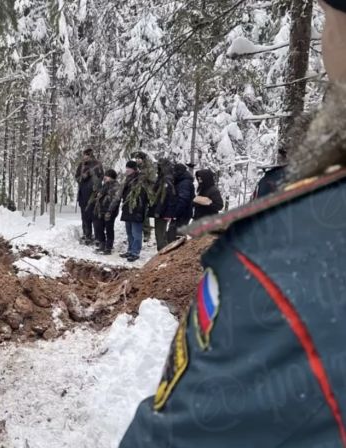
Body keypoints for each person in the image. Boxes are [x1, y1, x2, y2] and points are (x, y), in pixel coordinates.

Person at [120, 0, 346, 445]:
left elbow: (182, 432)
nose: (323, 46)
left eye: (328, 19)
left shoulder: (283, 258)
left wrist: (178, 210)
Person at [119, 161, 148, 262]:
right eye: (126, 167)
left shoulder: (140, 180)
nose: (127, 170)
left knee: (136, 233)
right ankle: (130, 250)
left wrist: (139, 209)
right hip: (128, 210)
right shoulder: (127, 180)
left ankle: (135, 252)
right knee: (129, 233)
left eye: (129, 168)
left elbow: (143, 197)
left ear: (134, 169)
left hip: (137, 211)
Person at [75, 147, 103, 245]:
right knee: (85, 216)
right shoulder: (81, 165)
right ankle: (87, 235)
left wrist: (92, 175)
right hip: (83, 195)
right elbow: (77, 177)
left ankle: (97, 237)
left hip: (93, 195)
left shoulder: (97, 164)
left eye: (86, 155)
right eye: (84, 155)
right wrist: (82, 177)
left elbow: (100, 178)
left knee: (94, 217)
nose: (85, 157)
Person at [93, 169, 121, 255]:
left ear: (112, 177)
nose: (105, 177)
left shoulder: (116, 186)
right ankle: (102, 244)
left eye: (107, 176)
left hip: (110, 211)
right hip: (101, 210)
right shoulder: (105, 185)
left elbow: (116, 200)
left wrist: (109, 211)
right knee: (99, 227)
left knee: (109, 229)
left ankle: (108, 247)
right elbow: (100, 195)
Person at [150, 158, 176, 251]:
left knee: (160, 233)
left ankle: (163, 253)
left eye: (160, 166)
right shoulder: (162, 178)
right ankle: (162, 252)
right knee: (159, 233)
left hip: (162, 211)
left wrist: (163, 212)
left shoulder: (166, 179)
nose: (159, 168)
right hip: (160, 209)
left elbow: (167, 197)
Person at [131, 151, 155, 242]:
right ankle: (137, 233)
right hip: (137, 192)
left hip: (146, 192)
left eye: (139, 159)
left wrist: (146, 178)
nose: (137, 160)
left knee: (145, 214)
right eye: (136, 158)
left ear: (143, 159)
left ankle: (146, 233)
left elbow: (153, 180)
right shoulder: (136, 168)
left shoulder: (149, 168)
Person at [168, 162, 195, 241]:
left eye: (174, 172)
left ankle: (177, 252)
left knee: (177, 236)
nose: (173, 174)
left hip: (182, 214)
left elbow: (183, 199)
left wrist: (176, 213)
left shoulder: (184, 183)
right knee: (174, 234)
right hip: (182, 213)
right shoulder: (181, 181)